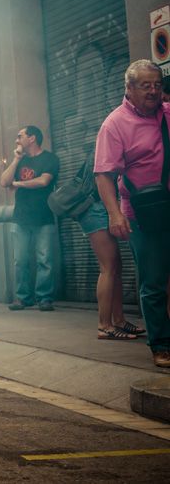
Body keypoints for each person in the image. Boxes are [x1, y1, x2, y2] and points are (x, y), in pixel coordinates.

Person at [95, 60, 170, 369]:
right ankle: (161, 344)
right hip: (144, 213)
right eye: (145, 85)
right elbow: (103, 175)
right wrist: (115, 215)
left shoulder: (168, 112)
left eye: (157, 84)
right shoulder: (115, 124)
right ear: (129, 88)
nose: (153, 91)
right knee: (153, 280)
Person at [72, 148, 143, 340]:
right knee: (108, 268)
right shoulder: (104, 150)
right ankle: (104, 325)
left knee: (116, 267)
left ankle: (119, 321)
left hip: (101, 209)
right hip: (94, 210)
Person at [0, 125, 60, 311]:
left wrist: (18, 183)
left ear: (32, 138)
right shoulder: (20, 160)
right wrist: (16, 159)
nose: (17, 140)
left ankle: (45, 298)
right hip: (21, 218)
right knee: (20, 260)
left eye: (20, 136)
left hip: (44, 217)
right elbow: (4, 182)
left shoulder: (50, 159)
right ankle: (23, 298)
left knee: (45, 260)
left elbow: (44, 181)